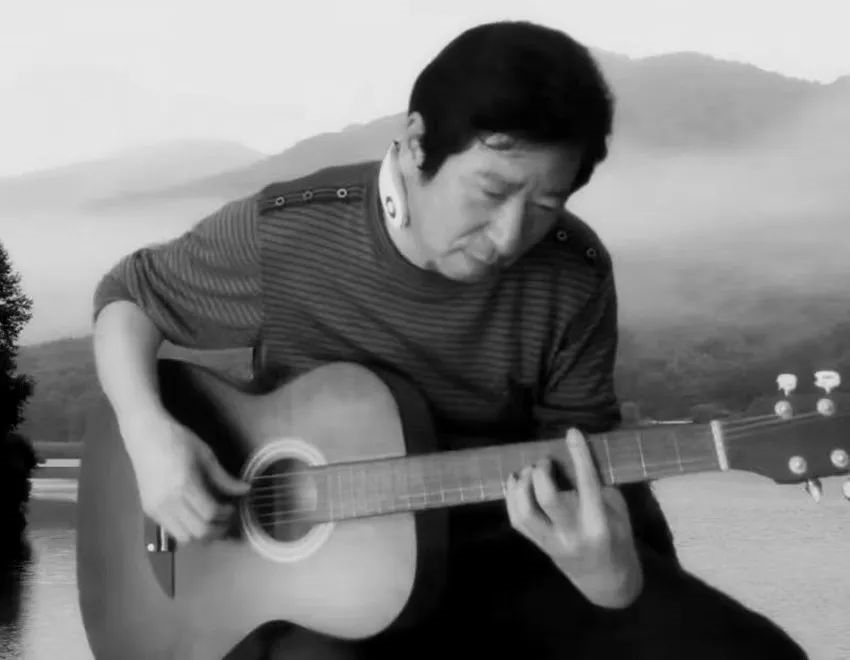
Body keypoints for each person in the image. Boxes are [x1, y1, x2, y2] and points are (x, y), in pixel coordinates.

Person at [90, 19, 807, 659]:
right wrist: (149, 438)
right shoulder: (288, 231)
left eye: (547, 204)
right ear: (415, 144)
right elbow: (127, 299)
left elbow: (582, 452)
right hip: (315, 586)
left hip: (508, 552)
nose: (509, 236)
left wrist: (608, 577)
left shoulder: (574, 273)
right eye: (491, 192)